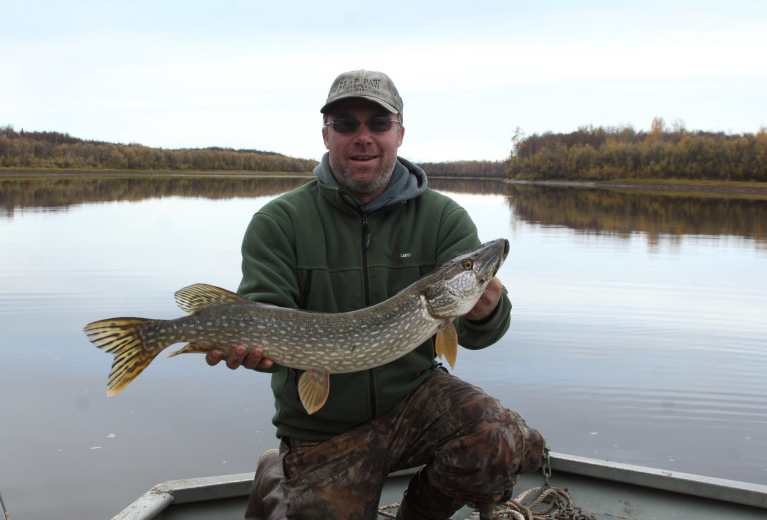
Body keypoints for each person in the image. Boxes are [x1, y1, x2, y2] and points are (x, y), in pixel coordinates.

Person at [207, 70, 545, 520]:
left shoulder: (442, 218)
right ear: (326, 135)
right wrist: (250, 349)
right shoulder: (280, 222)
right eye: (346, 124)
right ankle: (280, 472)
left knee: (498, 437)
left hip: (413, 407)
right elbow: (264, 313)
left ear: (399, 133)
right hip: (322, 428)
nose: (363, 137)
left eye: (378, 124)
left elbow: (476, 335)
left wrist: (486, 309)